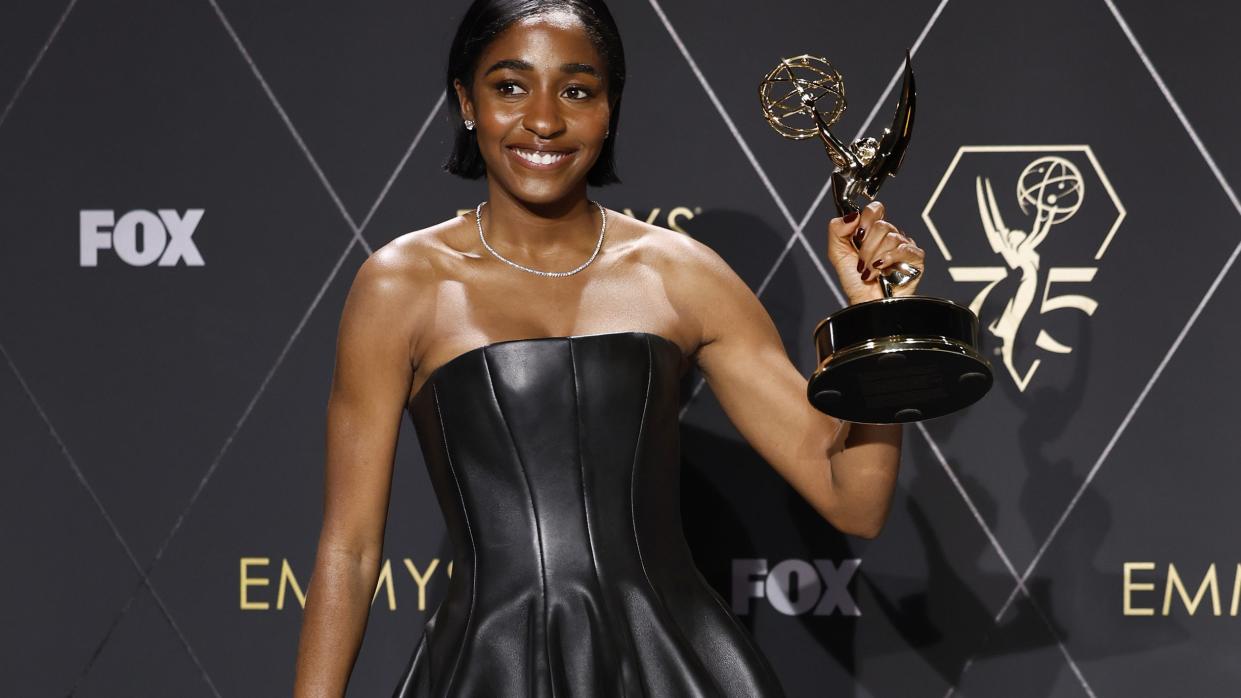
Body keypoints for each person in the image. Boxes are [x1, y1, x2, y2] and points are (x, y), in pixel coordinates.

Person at [292, 0, 927, 695]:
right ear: (465, 102)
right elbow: (349, 553)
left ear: (609, 108)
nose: (543, 119)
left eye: (576, 90)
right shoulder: (399, 286)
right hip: (490, 670)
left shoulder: (682, 275)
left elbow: (852, 501)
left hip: (671, 667)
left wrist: (875, 325)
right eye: (509, 86)